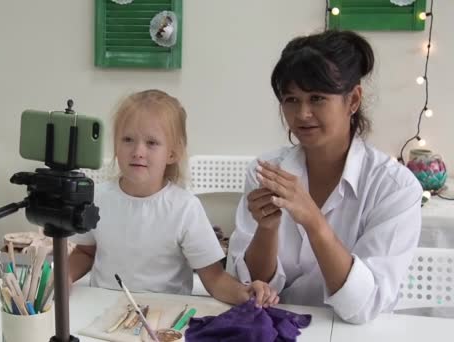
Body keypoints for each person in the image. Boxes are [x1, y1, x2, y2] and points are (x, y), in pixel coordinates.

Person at [226, 30, 422, 323]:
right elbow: (252, 285)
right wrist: (266, 229)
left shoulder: (394, 188)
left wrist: (313, 220)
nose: (302, 114)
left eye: (317, 98)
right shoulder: (266, 171)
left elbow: (364, 306)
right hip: (277, 329)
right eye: (291, 99)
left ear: (353, 100)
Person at [69, 89, 278, 306]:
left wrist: (245, 293)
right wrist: (63, 277)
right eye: (128, 139)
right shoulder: (97, 197)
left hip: (164, 319)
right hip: (99, 312)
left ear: (172, 153)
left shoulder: (185, 208)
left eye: (151, 143)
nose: (138, 151)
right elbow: (85, 252)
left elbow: (214, 279)